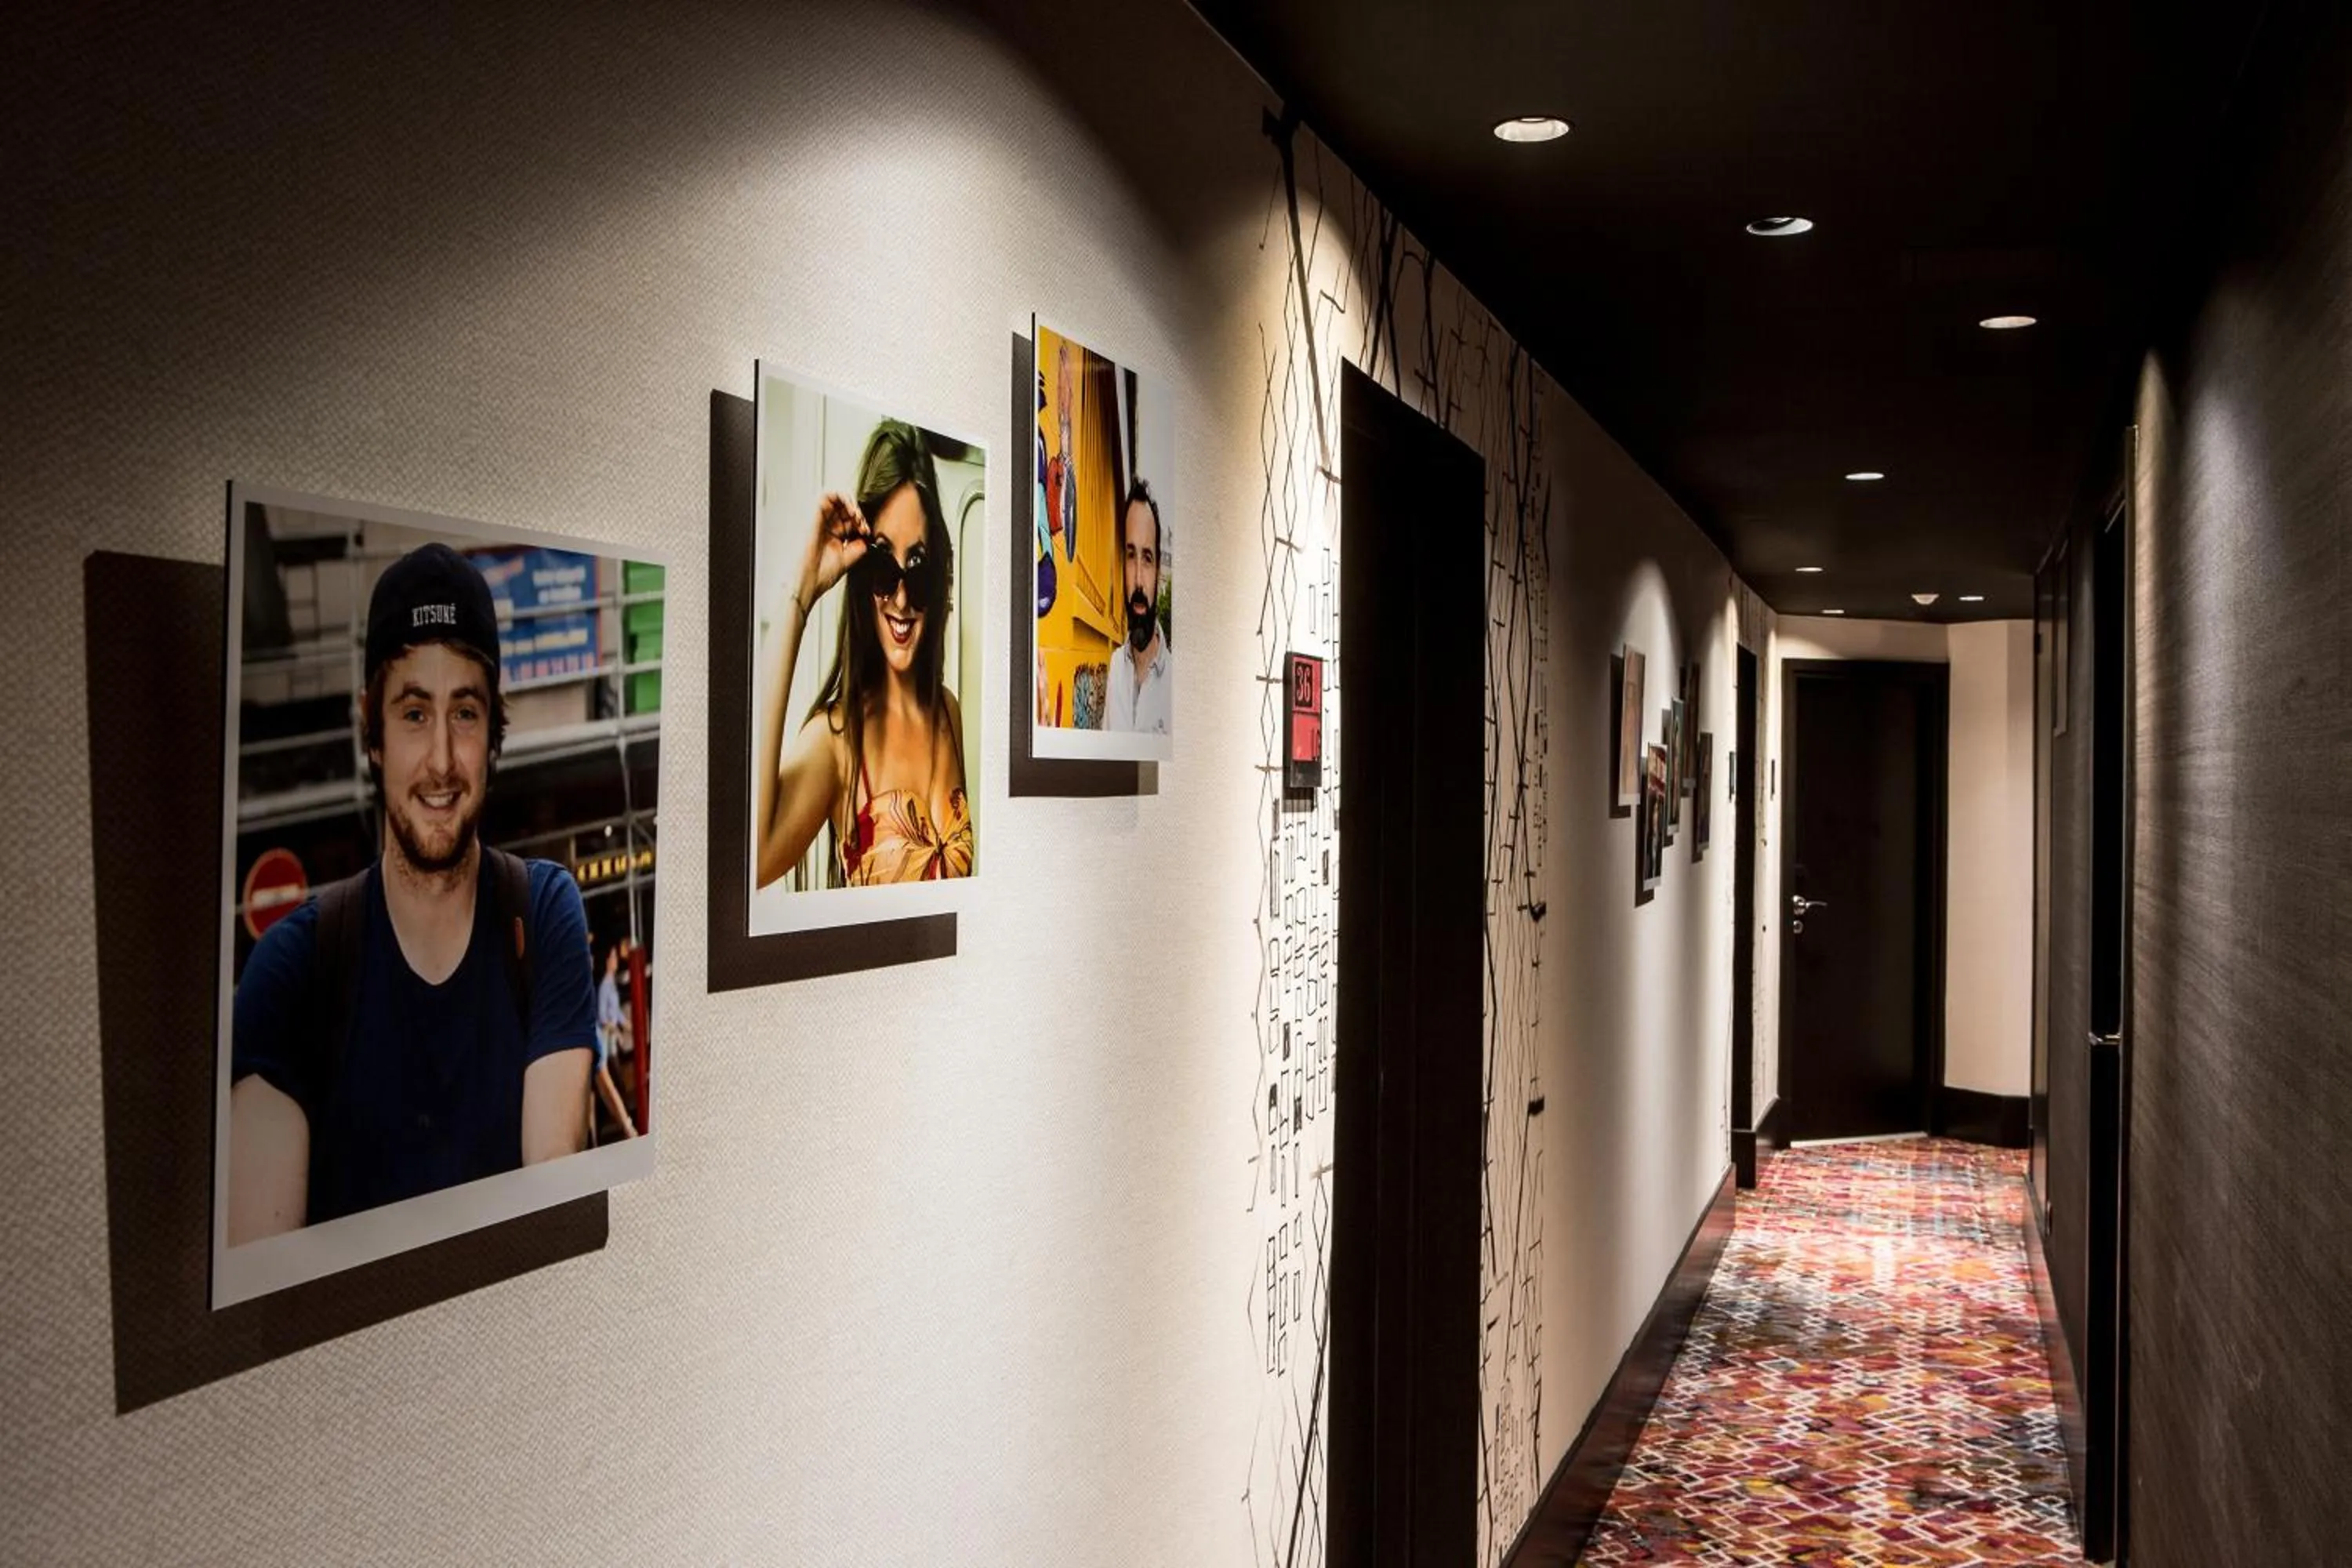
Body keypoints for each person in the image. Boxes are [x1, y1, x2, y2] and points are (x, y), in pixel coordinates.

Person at [226, 543, 597, 1244]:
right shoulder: (293, 972)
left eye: (465, 712)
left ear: (493, 734)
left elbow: (551, 1201)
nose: (442, 762)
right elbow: (264, 1265)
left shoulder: (543, 916)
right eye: (414, 713)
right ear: (372, 733)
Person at [755, 419, 972, 887]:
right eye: (882, 565)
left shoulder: (947, 710)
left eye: (918, 565)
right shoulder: (836, 741)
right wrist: (801, 591)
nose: (901, 599)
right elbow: (752, 857)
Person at [1105, 479, 1171, 735]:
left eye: (1147, 558)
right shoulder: (1115, 666)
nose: (1138, 581)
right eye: (1131, 556)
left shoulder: (1175, 680)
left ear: (1158, 572)